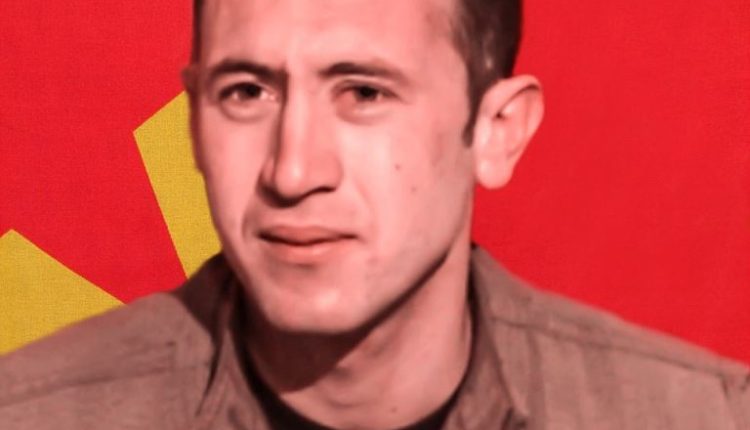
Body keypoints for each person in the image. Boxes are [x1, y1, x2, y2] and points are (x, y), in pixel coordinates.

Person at [1, 0, 748, 428]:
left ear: (498, 132)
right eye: (247, 92)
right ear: (194, 121)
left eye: (363, 93)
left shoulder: (701, 417)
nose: (293, 171)